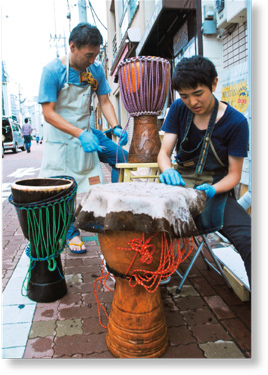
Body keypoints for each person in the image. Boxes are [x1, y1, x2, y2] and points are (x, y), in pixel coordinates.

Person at [157, 55, 251, 286]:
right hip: (178, 185)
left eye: (198, 93)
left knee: (251, 240)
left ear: (214, 84)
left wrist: (211, 190)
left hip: (214, 191)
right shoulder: (179, 109)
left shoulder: (236, 123)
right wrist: (167, 170)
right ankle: (154, 273)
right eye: (185, 96)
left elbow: (234, 175)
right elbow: (163, 153)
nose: (192, 102)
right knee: (144, 224)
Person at [38, 22, 128, 254]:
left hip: (87, 134)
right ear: (73, 46)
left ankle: (115, 211)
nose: (92, 60)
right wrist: (78, 134)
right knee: (65, 190)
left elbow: (105, 100)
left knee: (122, 158)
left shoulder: (95, 69)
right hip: (61, 139)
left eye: (96, 55)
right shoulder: (52, 71)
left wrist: (115, 126)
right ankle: (71, 233)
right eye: (89, 55)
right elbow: (48, 113)